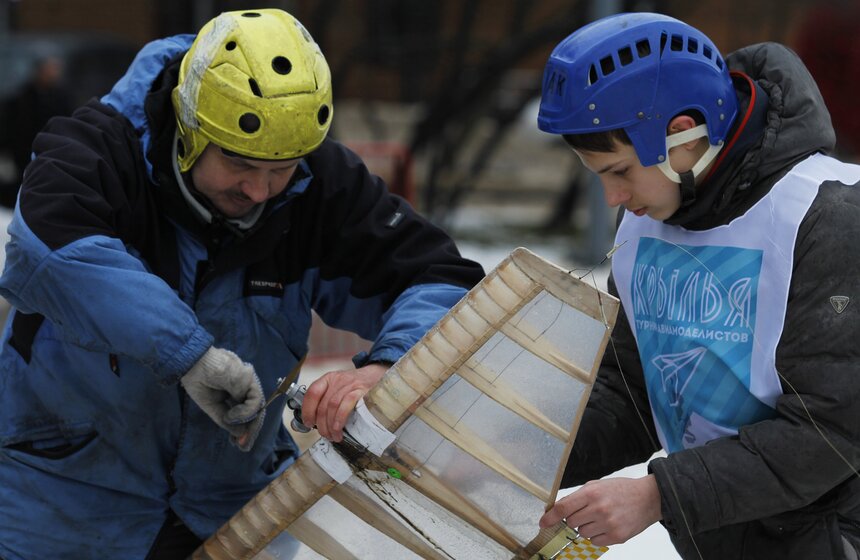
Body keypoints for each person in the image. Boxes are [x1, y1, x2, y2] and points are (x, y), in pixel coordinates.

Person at [0, 9, 483, 560]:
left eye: (281, 169)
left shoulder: (321, 185)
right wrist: (190, 357)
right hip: (63, 505)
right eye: (238, 163)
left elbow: (441, 281)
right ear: (188, 128)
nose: (260, 190)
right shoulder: (97, 150)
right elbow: (50, 255)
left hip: (235, 511)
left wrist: (387, 368)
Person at [536, 12, 860, 560]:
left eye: (619, 171)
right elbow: (635, 393)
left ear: (685, 136)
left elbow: (830, 433)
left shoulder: (827, 216)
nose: (612, 197)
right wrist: (526, 453)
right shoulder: (647, 216)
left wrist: (659, 494)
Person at [0, 55, 73, 207]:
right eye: (51, 69)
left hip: (51, 156)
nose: (55, 74)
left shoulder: (61, 98)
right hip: (23, 156)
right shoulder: (21, 100)